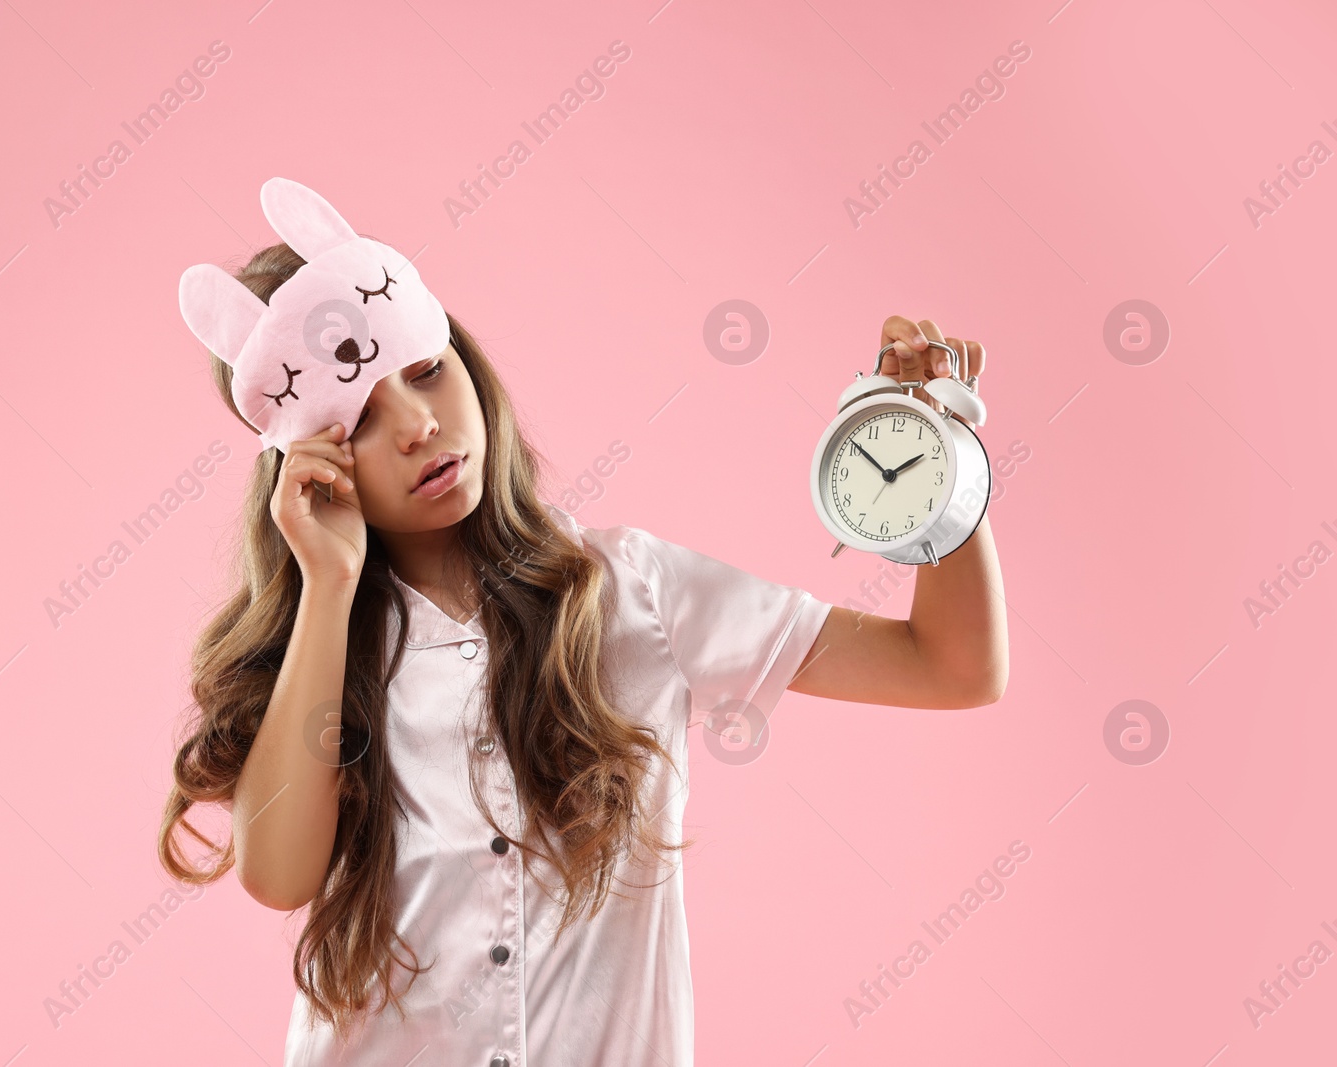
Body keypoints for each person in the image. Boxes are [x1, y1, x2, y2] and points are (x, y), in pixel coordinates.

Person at [160, 181, 1007, 1067]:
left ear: (464, 361)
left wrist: (933, 446)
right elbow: (279, 874)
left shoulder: (637, 589)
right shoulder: (323, 652)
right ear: (307, 464)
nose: (417, 426)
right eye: (360, 419)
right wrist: (327, 587)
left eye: (425, 373)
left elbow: (953, 666)